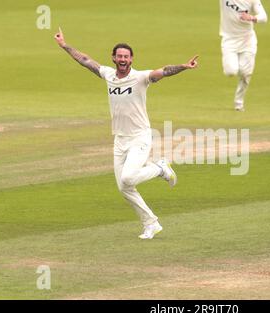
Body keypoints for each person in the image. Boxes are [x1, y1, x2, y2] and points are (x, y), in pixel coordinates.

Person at [54, 28, 198, 240]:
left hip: (140, 136)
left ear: (131, 59)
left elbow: (164, 71)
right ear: (114, 58)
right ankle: (151, 224)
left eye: (126, 56)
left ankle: (159, 168)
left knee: (129, 177)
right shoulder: (108, 75)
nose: (122, 59)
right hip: (120, 139)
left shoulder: (141, 77)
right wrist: (65, 45)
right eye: (119, 56)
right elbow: (85, 60)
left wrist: (184, 67)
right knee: (124, 187)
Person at [219, 0, 268, 111]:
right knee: (231, 71)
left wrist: (251, 18)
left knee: (246, 73)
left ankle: (239, 103)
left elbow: (264, 17)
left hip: (247, 40)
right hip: (229, 40)